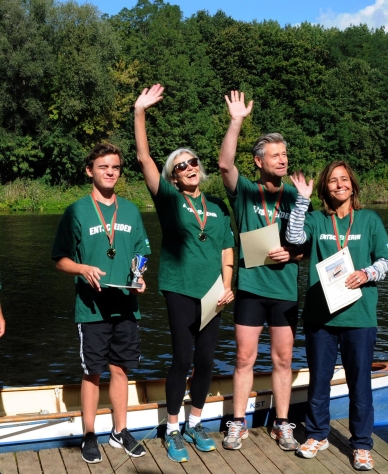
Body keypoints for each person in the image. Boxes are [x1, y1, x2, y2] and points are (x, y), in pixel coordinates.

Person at [134, 84, 235, 463]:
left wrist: (229, 287)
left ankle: (195, 422)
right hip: (179, 288)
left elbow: (227, 248)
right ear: (173, 177)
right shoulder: (169, 199)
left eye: (193, 163)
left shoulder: (217, 206)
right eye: (181, 166)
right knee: (182, 359)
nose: (189, 168)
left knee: (207, 360)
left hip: (214, 292)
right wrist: (139, 111)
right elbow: (143, 157)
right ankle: (172, 429)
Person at [286, 161, 388, 472]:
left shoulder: (369, 219)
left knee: (359, 382)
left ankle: (361, 444)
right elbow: (294, 239)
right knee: (319, 380)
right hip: (321, 316)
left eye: (344, 180)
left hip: (359, 317)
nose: (339, 185)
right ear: (325, 188)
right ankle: (318, 434)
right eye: (332, 181)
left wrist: (367, 273)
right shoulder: (317, 220)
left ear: (353, 185)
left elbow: (386, 260)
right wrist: (302, 199)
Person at [218, 91, 307, 451]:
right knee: (244, 358)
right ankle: (237, 422)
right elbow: (225, 165)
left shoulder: (296, 195)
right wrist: (236, 120)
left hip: (285, 290)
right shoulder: (244, 192)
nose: (283, 159)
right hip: (252, 287)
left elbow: (304, 247)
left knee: (283, 358)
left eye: (285, 154)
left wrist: (294, 255)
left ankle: (282, 423)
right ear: (258, 162)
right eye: (275, 155)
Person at [51, 143, 151, 464]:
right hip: (91, 307)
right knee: (93, 371)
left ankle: (119, 431)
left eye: (116, 167)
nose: (110, 172)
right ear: (89, 171)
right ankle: (90, 434)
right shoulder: (77, 211)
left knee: (120, 369)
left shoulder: (132, 210)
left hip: (125, 305)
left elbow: (141, 252)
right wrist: (82, 269)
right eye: (104, 167)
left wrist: (138, 276)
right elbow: (60, 260)